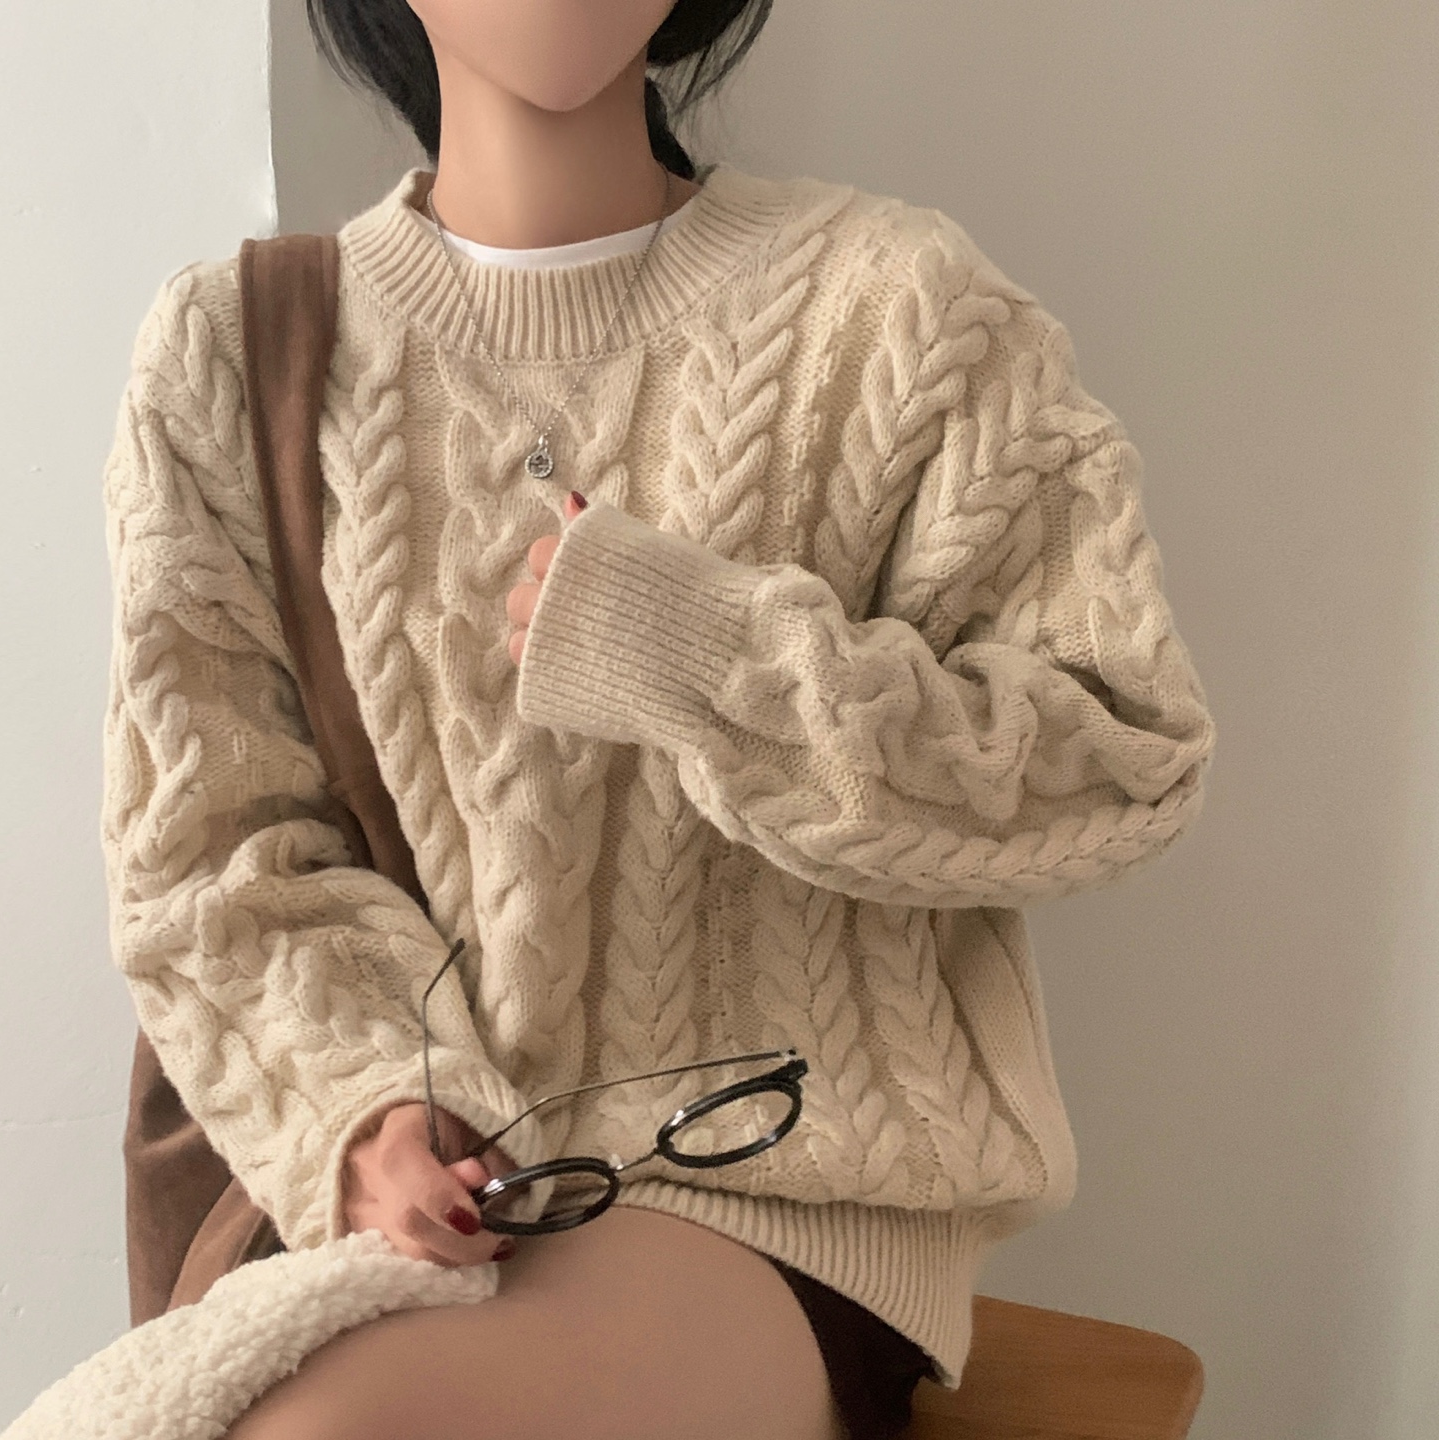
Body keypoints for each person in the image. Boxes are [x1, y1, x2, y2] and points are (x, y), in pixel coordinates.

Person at [98, 2, 1219, 1437]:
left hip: (776, 1196)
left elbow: (1117, 758)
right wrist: (362, 1111)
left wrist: (702, 654)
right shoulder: (229, 354)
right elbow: (210, 862)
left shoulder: (902, 309)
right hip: (402, 1202)